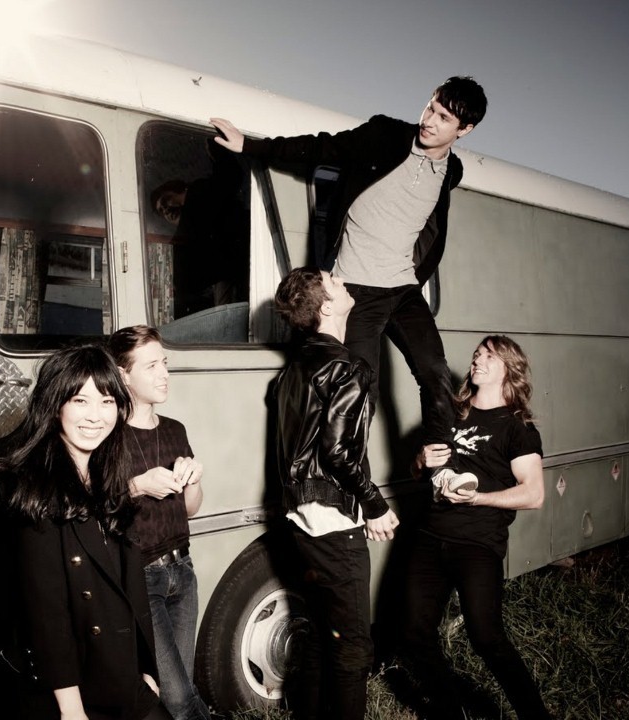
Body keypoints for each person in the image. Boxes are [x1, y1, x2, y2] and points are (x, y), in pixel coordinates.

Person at [211, 76, 487, 498]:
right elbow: (321, 147)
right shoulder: (385, 136)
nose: (429, 120)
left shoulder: (452, 171)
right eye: (430, 107)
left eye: (444, 118)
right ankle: (355, 491)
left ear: (464, 130)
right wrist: (250, 146)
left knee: (435, 374)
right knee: (362, 393)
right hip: (357, 289)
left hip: (403, 288)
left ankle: (441, 468)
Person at [0, 343, 172, 720]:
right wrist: (70, 707)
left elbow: (130, 587)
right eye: (80, 401)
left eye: (106, 402)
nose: (95, 416)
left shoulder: (108, 476)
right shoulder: (31, 489)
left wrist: (146, 669)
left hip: (120, 672)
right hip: (70, 686)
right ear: (55, 404)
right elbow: (45, 614)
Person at [271, 266, 401, 720]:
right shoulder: (348, 367)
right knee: (353, 648)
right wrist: (375, 505)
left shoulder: (293, 367)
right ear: (327, 306)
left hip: (300, 519)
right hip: (333, 524)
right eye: (335, 282)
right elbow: (338, 453)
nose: (344, 283)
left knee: (321, 634)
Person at [400, 335, 552, 720]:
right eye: (477, 354)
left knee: (486, 637)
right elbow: (418, 473)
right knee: (415, 632)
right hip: (431, 535)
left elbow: (534, 494)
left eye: (489, 356)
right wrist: (420, 460)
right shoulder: (451, 414)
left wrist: (478, 498)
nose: (477, 359)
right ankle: (451, 711)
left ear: (509, 370)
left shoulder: (517, 428)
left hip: (478, 543)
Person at [109, 325, 212, 720]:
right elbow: (93, 512)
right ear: (123, 376)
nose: (165, 374)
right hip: (141, 578)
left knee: (182, 688)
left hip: (183, 571)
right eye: (151, 366)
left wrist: (195, 480)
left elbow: (190, 509)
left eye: (164, 363)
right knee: (179, 698)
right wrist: (137, 486)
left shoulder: (174, 429)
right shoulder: (108, 436)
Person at [148, 147, 249, 316]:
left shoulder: (200, 195)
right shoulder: (185, 234)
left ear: (180, 189)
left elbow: (230, 175)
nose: (166, 210)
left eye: (166, 201)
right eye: (161, 212)